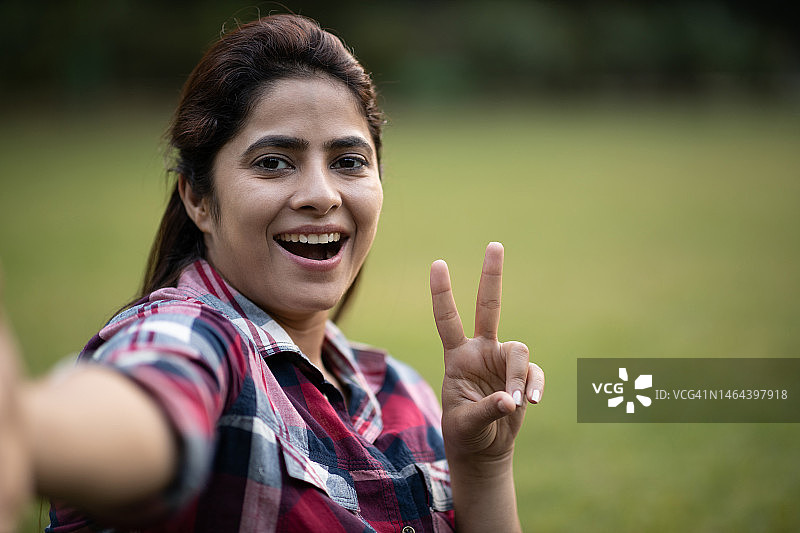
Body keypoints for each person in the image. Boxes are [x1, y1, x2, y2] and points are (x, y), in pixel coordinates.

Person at [0, 13, 544, 533]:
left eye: (349, 161)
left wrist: (483, 468)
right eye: (273, 162)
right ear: (199, 198)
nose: (320, 195)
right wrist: (26, 433)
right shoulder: (197, 336)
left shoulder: (404, 391)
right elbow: (148, 401)